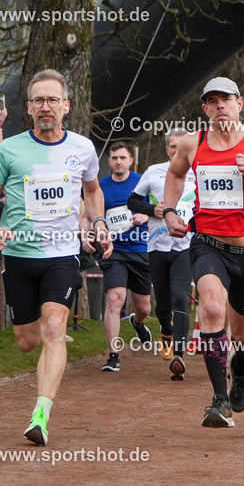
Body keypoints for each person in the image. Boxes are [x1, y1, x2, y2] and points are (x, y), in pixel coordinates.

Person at [0, 69, 112, 446]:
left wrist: (99, 221)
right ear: (28, 108)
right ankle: (44, 341)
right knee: (27, 339)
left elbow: (92, 190)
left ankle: (41, 413)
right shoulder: (9, 150)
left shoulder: (83, 149)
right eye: (38, 100)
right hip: (20, 254)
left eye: (53, 100)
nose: (46, 107)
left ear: (66, 106)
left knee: (55, 328)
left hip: (62, 254)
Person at [162, 76, 244, 429]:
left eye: (226, 100)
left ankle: (241, 368)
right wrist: (169, 210)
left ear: (240, 104)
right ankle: (219, 400)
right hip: (207, 244)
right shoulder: (193, 143)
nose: (220, 106)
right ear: (205, 108)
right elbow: (175, 174)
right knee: (213, 309)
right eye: (212, 101)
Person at [129, 129, 196, 379]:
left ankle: (178, 353)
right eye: (172, 147)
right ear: (167, 149)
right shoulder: (154, 171)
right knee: (163, 303)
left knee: (181, 297)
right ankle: (165, 330)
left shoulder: (198, 172)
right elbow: (132, 201)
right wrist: (151, 209)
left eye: (182, 146)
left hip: (185, 245)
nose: (177, 151)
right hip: (157, 245)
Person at [93, 142, 152, 372]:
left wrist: (145, 217)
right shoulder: (101, 186)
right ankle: (114, 354)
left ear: (130, 161)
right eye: (114, 158)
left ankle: (138, 323)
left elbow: (159, 209)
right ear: (109, 162)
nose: (118, 161)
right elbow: (91, 212)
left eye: (122, 158)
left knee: (144, 307)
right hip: (113, 250)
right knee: (115, 299)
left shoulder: (141, 182)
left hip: (140, 249)